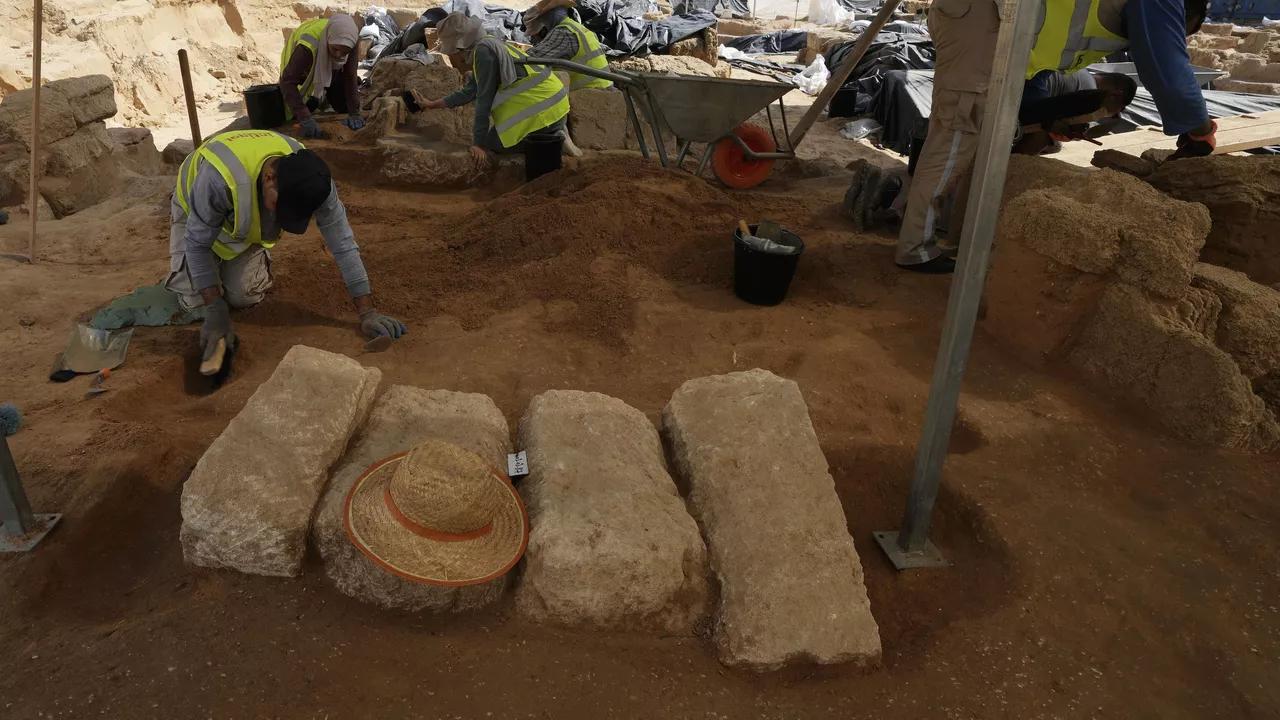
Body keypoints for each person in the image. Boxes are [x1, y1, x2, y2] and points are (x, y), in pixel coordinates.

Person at [889, 0, 1216, 274]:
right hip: (988, 18)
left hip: (996, 24)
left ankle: (915, 224)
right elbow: (1167, 68)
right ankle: (915, 249)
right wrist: (1200, 131)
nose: (1175, 35)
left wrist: (1046, 121)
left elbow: (1036, 71)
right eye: (1180, 31)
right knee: (959, 133)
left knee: (964, 133)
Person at [166, 130, 406, 365]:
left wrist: (367, 312)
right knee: (195, 300)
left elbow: (343, 243)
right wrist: (215, 309)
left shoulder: (314, 179)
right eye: (279, 206)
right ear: (269, 178)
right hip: (194, 211)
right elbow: (197, 245)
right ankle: (205, 278)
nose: (278, 217)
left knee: (243, 296)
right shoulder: (218, 179)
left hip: (237, 221)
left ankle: (232, 262)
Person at [415, 13, 570, 168]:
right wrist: (433, 104)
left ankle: (552, 139)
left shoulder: (484, 53)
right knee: (493, 139)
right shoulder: (487, 44)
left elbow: (484, 101)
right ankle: (551, 132)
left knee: (493, 144)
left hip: (547, 109)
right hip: (555, 105)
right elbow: (470, 91)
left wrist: (479, 144)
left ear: (458, 46)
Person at [280, 14, 365, 138]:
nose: (339, 55)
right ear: (328, 39)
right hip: (298, 66)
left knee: (343, 104)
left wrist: (354, 112)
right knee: (296, 109)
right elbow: (287, 81)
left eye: (344, 52)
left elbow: (350, 75)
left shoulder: (351, 39)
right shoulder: (307, 47)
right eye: (335, 49)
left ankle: (321, 100)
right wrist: (304, 116)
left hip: (324, 55)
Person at [522, 0, 612, 91]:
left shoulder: (563, 32)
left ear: (548, 16)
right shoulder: (575, 27)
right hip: (603, 87)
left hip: (590, 93)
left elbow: (530, 60)